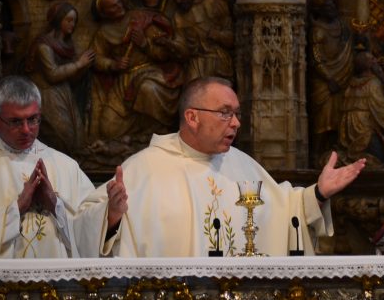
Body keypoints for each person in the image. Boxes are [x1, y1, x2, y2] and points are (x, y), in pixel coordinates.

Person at [77, 77, 366, 257]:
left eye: (237, 114)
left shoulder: (242, 165)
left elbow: (284, 211)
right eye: (224, 113)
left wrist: (318, 193)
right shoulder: (146, 168)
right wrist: (111, 216)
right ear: (192, 117)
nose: (237, 123)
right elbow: (82, 227)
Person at [0, 75, 128, 258]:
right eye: (16, 121)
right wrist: (16, 209)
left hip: (58, 284)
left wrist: (109, 212)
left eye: (33, 119)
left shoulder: (66, 166)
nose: (26, 129)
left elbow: (86, 234)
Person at [87, 0, 184, 148]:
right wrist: (113, 64)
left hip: (151, 72)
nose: (118, 7)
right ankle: (134, 138)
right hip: (124, 80)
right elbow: (96, 58)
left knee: (148, 89)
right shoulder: (103, 33)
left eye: (118, 2)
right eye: (112, 7)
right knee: (108, 128)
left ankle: (153, 138)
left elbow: (164, 54)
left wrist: (145, 44)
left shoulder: (141, 19)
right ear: (104, 13)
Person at [25, 2, 95, 154]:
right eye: (68, 20)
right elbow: (52, 74)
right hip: (47, 93)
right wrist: (79, 64)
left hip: (63, 92)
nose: (72, 24)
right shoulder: (44, 45)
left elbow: (71, 78)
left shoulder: (66, 45)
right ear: (58, 20)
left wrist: (84, 68)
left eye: (74, 21)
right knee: (64, 135)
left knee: (77, 136)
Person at [160, 0, 234, 82]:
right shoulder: (178, 17)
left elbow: (233, 37)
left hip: (218, 60)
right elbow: (183, 49)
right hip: (195, 65)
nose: (178, 1)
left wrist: (218, 35)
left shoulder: (213, 0)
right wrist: (169, 43)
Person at [309, 0, 354, 167]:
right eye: (327, 6)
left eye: (333, 4)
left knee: (339, 118)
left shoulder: (342, 26)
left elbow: (349, 46)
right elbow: (316, 58)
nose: (332, 8)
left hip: (342, 77)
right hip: (325, 82)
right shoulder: (318, 31)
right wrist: (329, 78)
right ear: (320, 9)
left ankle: (335, 153)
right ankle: (316, 154)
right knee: (323, 120)